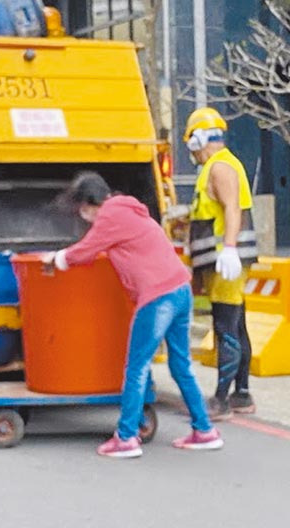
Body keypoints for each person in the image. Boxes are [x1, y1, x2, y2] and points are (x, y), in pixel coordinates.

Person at [39, 171, 223, 459]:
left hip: (158, 297)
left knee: (136, 366)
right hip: (179, 291)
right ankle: (204, 430)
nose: (82, 216)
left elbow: (85, 251)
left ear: (91, 203)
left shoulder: (110, 216)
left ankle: (126, 438)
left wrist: (56, 258)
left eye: (82, 210)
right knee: (180, 365)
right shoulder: (129, 210)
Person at [183, 107, 258, 420]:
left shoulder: (220, 168)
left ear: (198, 139)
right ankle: (241, 394)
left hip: (226, 261)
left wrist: (229, 248)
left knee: (225, 327)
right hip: (220, 261)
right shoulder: (217, 166)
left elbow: (232, 208)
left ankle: (221, 399)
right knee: (236, 325)